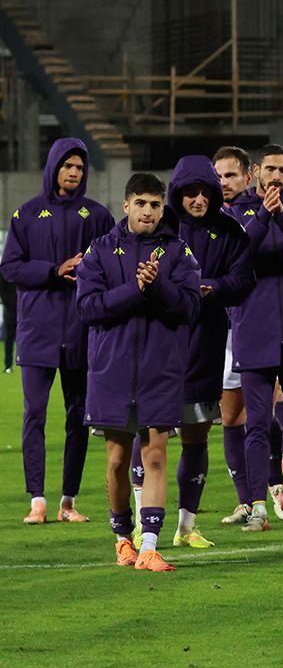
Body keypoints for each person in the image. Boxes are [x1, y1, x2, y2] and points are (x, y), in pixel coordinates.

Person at [77, 172, 201, 571]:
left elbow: (189, 308)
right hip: (112, 369)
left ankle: (149, 546)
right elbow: (89, 308)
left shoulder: (179, 253)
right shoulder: (98, 251)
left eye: (155, 204)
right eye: (141, 203)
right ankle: (122, 539)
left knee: (157, 456)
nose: (148, 211)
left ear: (162, 208)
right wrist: (137, 289)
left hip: (160, 369)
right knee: (115, 461)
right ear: (126, 205)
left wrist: (158, 286)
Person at [1, 138, 114, 524]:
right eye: (67, 165)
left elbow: (112, 266)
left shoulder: (98, 216)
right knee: (34, 414)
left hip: (82, 330)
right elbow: (10, 268)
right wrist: (54, 269)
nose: (74, 173)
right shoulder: (26, 214)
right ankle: (38, 500)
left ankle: (68, 500)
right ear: (53, 167)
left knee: (78, 415)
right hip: (37, 331)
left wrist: (87, 272)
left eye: (80, 167)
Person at [168, 156, 254, 545]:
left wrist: (214, 288)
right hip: (160, 342)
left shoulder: (230, 230)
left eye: (206, 192)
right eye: (191, 192)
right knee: (148, 436)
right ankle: (140, 520)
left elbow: (243, 279)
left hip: (206, 342)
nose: (199, 199)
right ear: (178, 193)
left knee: (196, 434)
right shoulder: (163, 226)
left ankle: (187, 525)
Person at [229, 144, 283, 525]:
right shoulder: (235, 213)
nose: (277, 176)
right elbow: (238, 254)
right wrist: (265, 215)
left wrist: (281, 219)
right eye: (270, 169)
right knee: (258, 422)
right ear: (256, 171)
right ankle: (258, 507)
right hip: (255, 329)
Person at [212, 145, 255, 523]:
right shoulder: (207, 218)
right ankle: (246, 499)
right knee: (231, 417)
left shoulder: (256, 215)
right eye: (219, 176)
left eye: (230, 175)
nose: (223, 182)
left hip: (255, 324)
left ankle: (278, 489)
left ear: (247, 177)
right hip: (222, 328)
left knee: (270, 410)